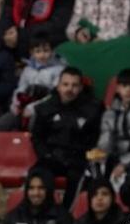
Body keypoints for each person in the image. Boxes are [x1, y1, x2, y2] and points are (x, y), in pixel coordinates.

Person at [30, 67, 103, 199]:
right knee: (37, 175)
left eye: (74, 85)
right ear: (58, 86)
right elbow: (37, 137)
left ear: (81, 88)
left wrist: (87, 157)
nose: (69, 89)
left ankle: (68, 216)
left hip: (79, 159)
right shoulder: (45, 108)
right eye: (65, 84)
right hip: (51, 156)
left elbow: (96, 139)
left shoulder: (94, 108)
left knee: (80, 177)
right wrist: (45, 155)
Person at [0, 34, 65, 130]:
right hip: (24, 105)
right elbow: (20, 88)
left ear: (52, 51)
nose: (42, 55)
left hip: (45, 108)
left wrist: (33, 108)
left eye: (46, 51)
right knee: (3, 123)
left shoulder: (59, 69)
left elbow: (54, 95)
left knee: (33, 123)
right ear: (32, 53)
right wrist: (15, 104)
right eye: (38, 51)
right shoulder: (28, 69)